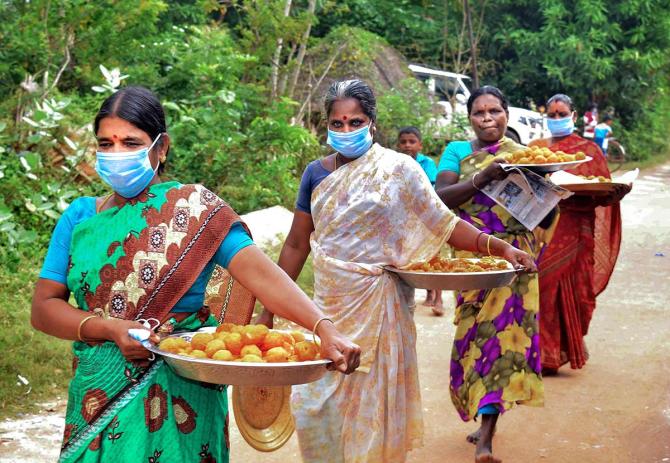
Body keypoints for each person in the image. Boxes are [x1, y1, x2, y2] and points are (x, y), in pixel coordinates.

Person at [31, 86, 361, 463]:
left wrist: (325, 329)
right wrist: (109, 329)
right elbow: (43, 308)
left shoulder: (196, 212)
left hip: (184, 397)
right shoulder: (80, 218)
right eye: (106, 143)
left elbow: (264, 276)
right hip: (98, 393)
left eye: (131, 142)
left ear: (161, 147)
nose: (116, 154)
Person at [256, 80, 535, 463]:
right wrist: (269, 306)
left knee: (375, 407)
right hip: (328, 308)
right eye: (336, 123)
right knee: (315, 405)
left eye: (355, 121)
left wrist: (499, 246)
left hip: (383, 304)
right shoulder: (316, 174)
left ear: (372, 122)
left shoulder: (399, 169)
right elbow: (296, 244)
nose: (345, 130)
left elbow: (444, 223)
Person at [435, 86, 555, 463]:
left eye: (495, 111)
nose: (488, 119)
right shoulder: (457, 152)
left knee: (505, 343)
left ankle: (487, 435)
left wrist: (552, 190)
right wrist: (485, 176)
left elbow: (546, 217)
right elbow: (440, 199)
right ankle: (482, 409)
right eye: (479, 113)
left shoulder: (525, 157)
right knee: (472, 338)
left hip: (517, 259)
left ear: (507, 115)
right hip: (475, 258)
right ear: (469, 118)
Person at [529, 93, 630, 374]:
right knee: (542, 285)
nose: (557, 119)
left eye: (563, 114)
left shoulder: (589, 151)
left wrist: (608, 190)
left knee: (575, 289)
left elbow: (602, 189)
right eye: (553, 114)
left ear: (574, 117)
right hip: (543, 227)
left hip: (577, 227)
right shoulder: (536, 149)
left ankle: (562, 348)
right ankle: (543, 353)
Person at [396, 126, 445, 315]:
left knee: (433, 255)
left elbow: (429, 189)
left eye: (412, 141)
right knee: (415, 257)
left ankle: (438, 299)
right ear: (398, 145)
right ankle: (427, 294)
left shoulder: (428, 163)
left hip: (427, 215)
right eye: (403, 142)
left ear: (420, 145)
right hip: (405, 218)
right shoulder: (395, 163)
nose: (407, 145)